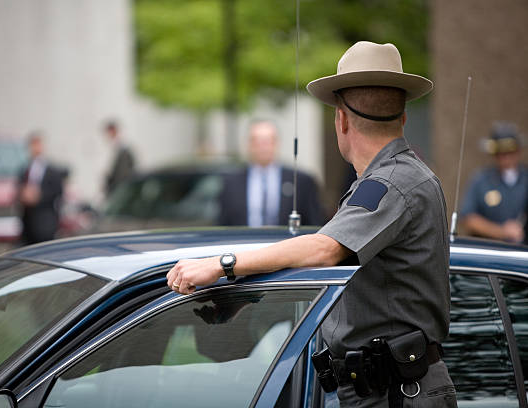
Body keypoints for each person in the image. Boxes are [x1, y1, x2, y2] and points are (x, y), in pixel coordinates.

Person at [167, 41, 456, 407]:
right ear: (402, 118)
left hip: (396, 393)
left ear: (342, 120)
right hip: (387, 388)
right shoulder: (390, 180)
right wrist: (255, 294)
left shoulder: (391, 184)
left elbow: (324, 249)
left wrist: (223, 265)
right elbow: (337, 278)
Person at [218, 119, 324, 227]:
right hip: (244, 242)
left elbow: (313, 225)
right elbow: (222, 225)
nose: (263, 147)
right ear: (249, 144)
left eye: (268, 141)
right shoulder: (231, 183)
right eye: (257, 141)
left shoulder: (300, 181)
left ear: (277, 143)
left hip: (287, 242)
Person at [460, 122, 527, 243]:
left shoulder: (525, 179)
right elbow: (468, 218)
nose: (505, 156)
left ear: (518, 151)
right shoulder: (481, 180)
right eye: (500, 152)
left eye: (509, 151)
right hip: (491, 252)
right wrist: (501, 231)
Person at [17, 132, 65, 245]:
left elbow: (58, 191)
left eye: (38, 144)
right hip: (28, 222)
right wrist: (23, 195)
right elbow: (18, 188)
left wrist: (39, 195)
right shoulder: (25, 169)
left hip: (45, 221)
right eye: (33, 145)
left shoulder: (52, 170)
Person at [103, 120, 135, 196]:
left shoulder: (122, 147)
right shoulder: (113, 146)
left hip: (120, 184)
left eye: (110, 132)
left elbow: (124, 170)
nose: (108, 135)